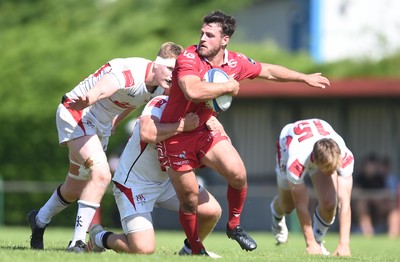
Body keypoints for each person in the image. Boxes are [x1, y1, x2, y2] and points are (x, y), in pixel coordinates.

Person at [156, 10, 331, 254]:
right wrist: (228, 85)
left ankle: (234, 225)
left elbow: (267, 70)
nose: (202, 39)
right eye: (202, 33)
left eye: (210, 35)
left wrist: (303, 77)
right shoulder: (188, 56)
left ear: (225, 40)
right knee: (189, 200)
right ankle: (193, 249)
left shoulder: (235, 62)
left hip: (204, 129)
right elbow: (192, 92)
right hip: (175, 134)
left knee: (238, 174)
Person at [27, 42, 184, 252]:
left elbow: (132, 102)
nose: (173, 75)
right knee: (101, 175)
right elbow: (104, 87)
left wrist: (115, 122)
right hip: (77, 114)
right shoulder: (130, 72)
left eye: (177, 71)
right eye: (170, 69)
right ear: (156, 64)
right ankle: (77, 242)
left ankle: (39, 220)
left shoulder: (157, 85)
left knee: (74, 188)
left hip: (99, 126)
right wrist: (88, 98)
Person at [86, 95, 222, 257]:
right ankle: (100, 237)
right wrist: (182, 126)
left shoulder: (203, 113)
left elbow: (220, 154)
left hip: (168, 182)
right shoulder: (160, 103)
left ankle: (189, 251)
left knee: (211, 211)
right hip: (134, 185)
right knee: (143, 249)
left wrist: (216, 133)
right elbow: (146, 133)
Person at [270, 118, 354, 256]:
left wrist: (344, 244)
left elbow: (344, 203)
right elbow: (301, 205)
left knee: (329, 204)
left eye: (335, 167)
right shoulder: (296, 162)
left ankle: (318, 241)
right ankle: (276, 213)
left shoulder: (345, 156)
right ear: (315, 162)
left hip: (315, 141)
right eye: (328, 169)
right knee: (288, 206)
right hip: (288, 143)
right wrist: (309, 243)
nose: (333, 172)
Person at [353, 154, 400, 237]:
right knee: (361, 204)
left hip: (378, 204)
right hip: (365, 204)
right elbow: (356, 192)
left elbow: (386, 192)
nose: (371, 168)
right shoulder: (360, 177)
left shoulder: (379, 178)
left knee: (393, 206)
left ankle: (393, 233)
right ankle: (368, 232)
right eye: (369, 165)